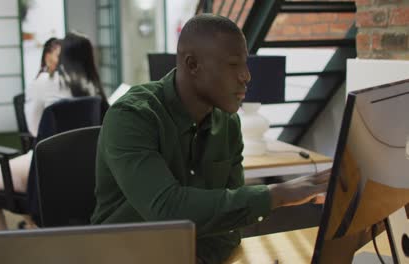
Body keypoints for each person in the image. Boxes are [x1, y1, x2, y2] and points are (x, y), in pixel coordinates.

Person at [90, 14, 329, 264]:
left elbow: (230, 225)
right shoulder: (132, 116)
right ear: (192, 64)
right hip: (121, 255)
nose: (246, 76)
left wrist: (200, 259)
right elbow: (167, 209)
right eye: (233, 64)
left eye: (245, 64)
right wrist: (275, 195)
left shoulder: (228, 123)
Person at [0, 32, 108, 230]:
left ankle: (2, 247)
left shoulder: (43, 82)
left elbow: (35, 129)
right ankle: (34, 228)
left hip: (43, 164)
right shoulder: (93, 87)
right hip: (83, 170)